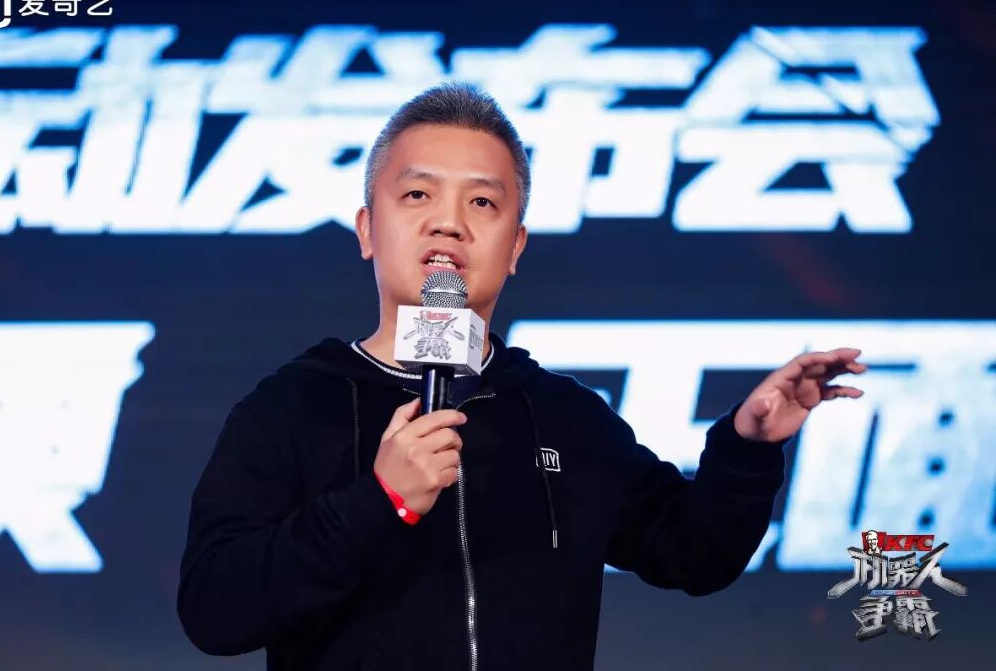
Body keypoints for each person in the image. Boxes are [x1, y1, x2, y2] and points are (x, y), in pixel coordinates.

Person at [177, 82, 868, 670]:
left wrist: (747, 448)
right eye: (417, 194)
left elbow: (694, 553)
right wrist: (377, 502)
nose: (448, 223)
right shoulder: (293, 407)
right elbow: (214, 610)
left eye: (482, 203)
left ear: (516, 246)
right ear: (366, 229)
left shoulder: (566, 416)